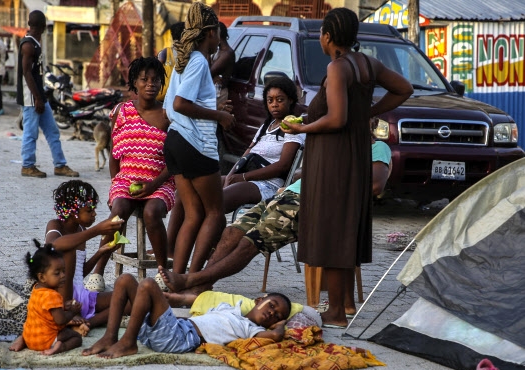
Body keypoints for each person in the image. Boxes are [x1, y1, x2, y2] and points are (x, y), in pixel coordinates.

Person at [281, 8, 413, 328]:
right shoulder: (367, 63)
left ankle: (337, 312)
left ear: (327, 36)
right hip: (352, 153)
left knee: (332, 231)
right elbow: (403, 88)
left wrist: (302, 130)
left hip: (335, 157)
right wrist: (369, 111)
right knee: (341, 231)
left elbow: (336, 119)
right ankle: (338, 308)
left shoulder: (338, 67)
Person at [158, 134, 393, 308]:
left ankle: (192, 280)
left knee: (251, 241)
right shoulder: (339, 145)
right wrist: (298, 179)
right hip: (288, 194)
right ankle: (200, 289)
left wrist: (329, 184)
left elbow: (376, 185)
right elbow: (308, 172)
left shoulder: (376, 147)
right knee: (233, 232)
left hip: (312, 204)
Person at [161, 76, 304, 268]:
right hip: (245, 176)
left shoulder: (293, 127)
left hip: (269, 184)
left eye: (280, 99)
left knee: (215, 201)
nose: (275, 105)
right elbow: (247, 154)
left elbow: (283, 166)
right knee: (186, 191)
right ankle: (169, 248)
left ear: (291, 101)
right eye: (270, 100)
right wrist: (231, 176)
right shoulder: (266, 126)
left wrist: (241, 177)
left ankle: (208, 252)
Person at [9, 181, 128, 352]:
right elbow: (52, 247)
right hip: (60, 300)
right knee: (68, 249)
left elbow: (79, 272)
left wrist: (100, 252)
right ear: (73, 212)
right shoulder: (55, 225)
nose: (94, 214)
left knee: (128, 297)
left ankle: (87, 323)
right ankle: (69, 319)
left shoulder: (80, 228)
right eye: (89, 210)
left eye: (94, 209)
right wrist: (96, 230)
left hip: (80, 296)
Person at [162, 2, 236, 276]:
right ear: (209, 33)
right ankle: (193, 278)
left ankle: (176, 277)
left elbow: (171, 107)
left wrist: (214, 110)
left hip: (176, 142)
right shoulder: (198, 61)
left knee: (193, 214)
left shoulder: (184, 59)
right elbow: (181, 104)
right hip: (195, 144)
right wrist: (219, 116)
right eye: (217, 31)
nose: (219, 37)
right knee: (215, 214)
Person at [92, 57, 175, 279]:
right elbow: (113, 153)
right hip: (126, 181)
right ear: (134, 83)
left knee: (151, 213)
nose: (151, 84)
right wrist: (116, 184)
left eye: (156, 80)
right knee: (118, 211)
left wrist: (153, 185)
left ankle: (162, 271)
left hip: (160, 182)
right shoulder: (121, 111)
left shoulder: (168, 115)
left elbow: (175, 160)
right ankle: (98, 272)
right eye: (144, 79)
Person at [81, 273, 290, 359]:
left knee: (148, 285)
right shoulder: (229, 307)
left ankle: (128, 342)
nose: (272, 313)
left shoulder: (252, 329)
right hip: (174, 327)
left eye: (276, 315)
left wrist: (280, 324)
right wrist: (173, 299)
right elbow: (197, 305)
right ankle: (110, 336)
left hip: (180, 338)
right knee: (125, 280)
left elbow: (275, 337)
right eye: (272, 305)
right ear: (258, 300)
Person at [17, 10, 79, 179]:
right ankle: (27, 166)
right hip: (31, 98)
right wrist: (37, 98)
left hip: (39, 96)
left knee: (52, 131)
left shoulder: (36, 42)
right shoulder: (28, 45)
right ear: (43, 26)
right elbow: (27, 73)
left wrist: (41, 97)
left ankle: (60, 165)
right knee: (30, 133)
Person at [21, 239, 82, 355]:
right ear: (42, 277)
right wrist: (73, 312)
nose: (63, 275)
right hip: (45, 341)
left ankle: (22, 341)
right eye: (57, 273)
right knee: (76, 337)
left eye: (64, 271)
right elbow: (60, 321)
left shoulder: (36, 289)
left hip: (30, 340)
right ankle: (60, 347)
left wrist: (63, 306)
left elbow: (45, 310)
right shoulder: (52, 295)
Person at [156, 22, 185, 102]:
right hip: (180, 96)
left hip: (165, 95)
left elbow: (156, 69)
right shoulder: (189, 54)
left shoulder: (166, 52)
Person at [210, 22, 235, 106]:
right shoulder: (218, 50)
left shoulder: (227, 53)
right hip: (214, 91)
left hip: (219, 93)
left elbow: (210, 72)